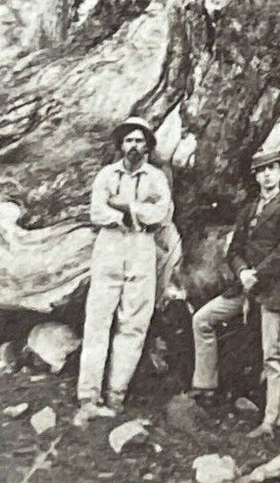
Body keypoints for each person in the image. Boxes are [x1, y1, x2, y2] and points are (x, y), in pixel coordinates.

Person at [188, 141, 280, 435]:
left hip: (274, 288)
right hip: (245, 286)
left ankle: (272, 419)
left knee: (273, 354)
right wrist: (242, 271)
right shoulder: (249, 209)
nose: (266, 176)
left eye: (271, 169)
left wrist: (258, 273)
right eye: (261, 171)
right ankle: (205, 386)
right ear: (256, 177)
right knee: (202, 319)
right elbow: (234, 249)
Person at [74, 116, 175, 425]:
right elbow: (97, 210)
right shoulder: (107, 175)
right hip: (110, 245)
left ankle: (116, 394)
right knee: (98, 320)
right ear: (120, 145)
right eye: (129, 140)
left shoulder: (156, 177)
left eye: (140, 140)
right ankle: (89, 396)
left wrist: (126, 207)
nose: (134, 146)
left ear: (147, 146)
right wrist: (119, 215)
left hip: (142, 247)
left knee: (133, 322)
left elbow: (162, 212)